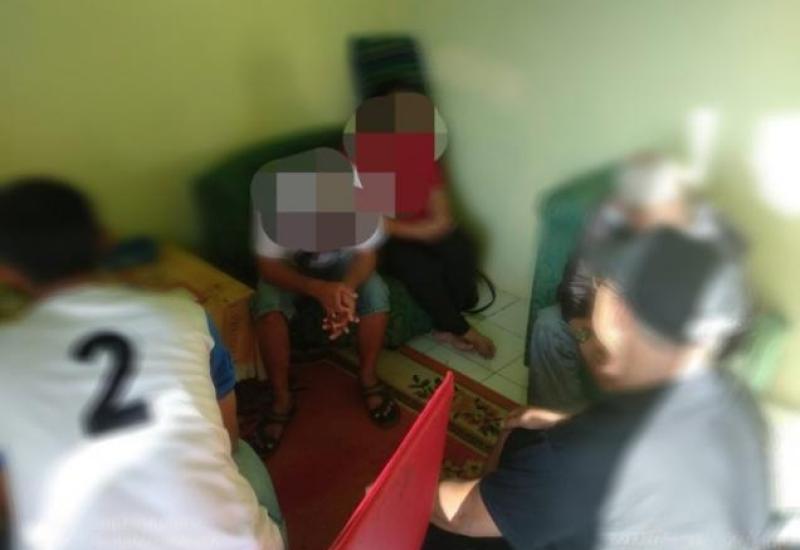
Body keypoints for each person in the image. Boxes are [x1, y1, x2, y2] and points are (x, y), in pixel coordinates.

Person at [425, 227, 770, 549]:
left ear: (621, 310)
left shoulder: (583, 457)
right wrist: (567, 426)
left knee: (434, 532)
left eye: (599, 282)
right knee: (523, 436)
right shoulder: (736, 396)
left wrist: (408, 487)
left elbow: (461, 516)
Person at [0, 179, 285, 549]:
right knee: (239, 452)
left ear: (6, 270)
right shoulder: (183, 313)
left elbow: (15, 505)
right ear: (103, 240)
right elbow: (227, 435)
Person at [528, 153, 745, 411]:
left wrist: (634, 354)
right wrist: (586, 338)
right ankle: (553, 420)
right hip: (603, 324)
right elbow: (574, 288)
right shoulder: (609, 222)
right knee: (548, 325)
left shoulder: (710, 246)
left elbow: (719, 335)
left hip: (660, 342)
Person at [250, 149, 397, 454]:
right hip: (289, 267)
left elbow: (366, 255)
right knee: (267, 307)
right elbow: (268, 266)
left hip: (343, 266)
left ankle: (368, 376)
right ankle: (282, 398)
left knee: (376, 292)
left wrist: (344, 290)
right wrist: (318, 288)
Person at [345, 90, 497, 359]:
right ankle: (460, 329)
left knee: (461, 246)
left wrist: (432, 229)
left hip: (413, 227)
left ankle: (445, 324)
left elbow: (442, 215)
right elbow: (377, 224)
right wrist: (425, 231)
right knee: (414, 262)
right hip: (381, 239)